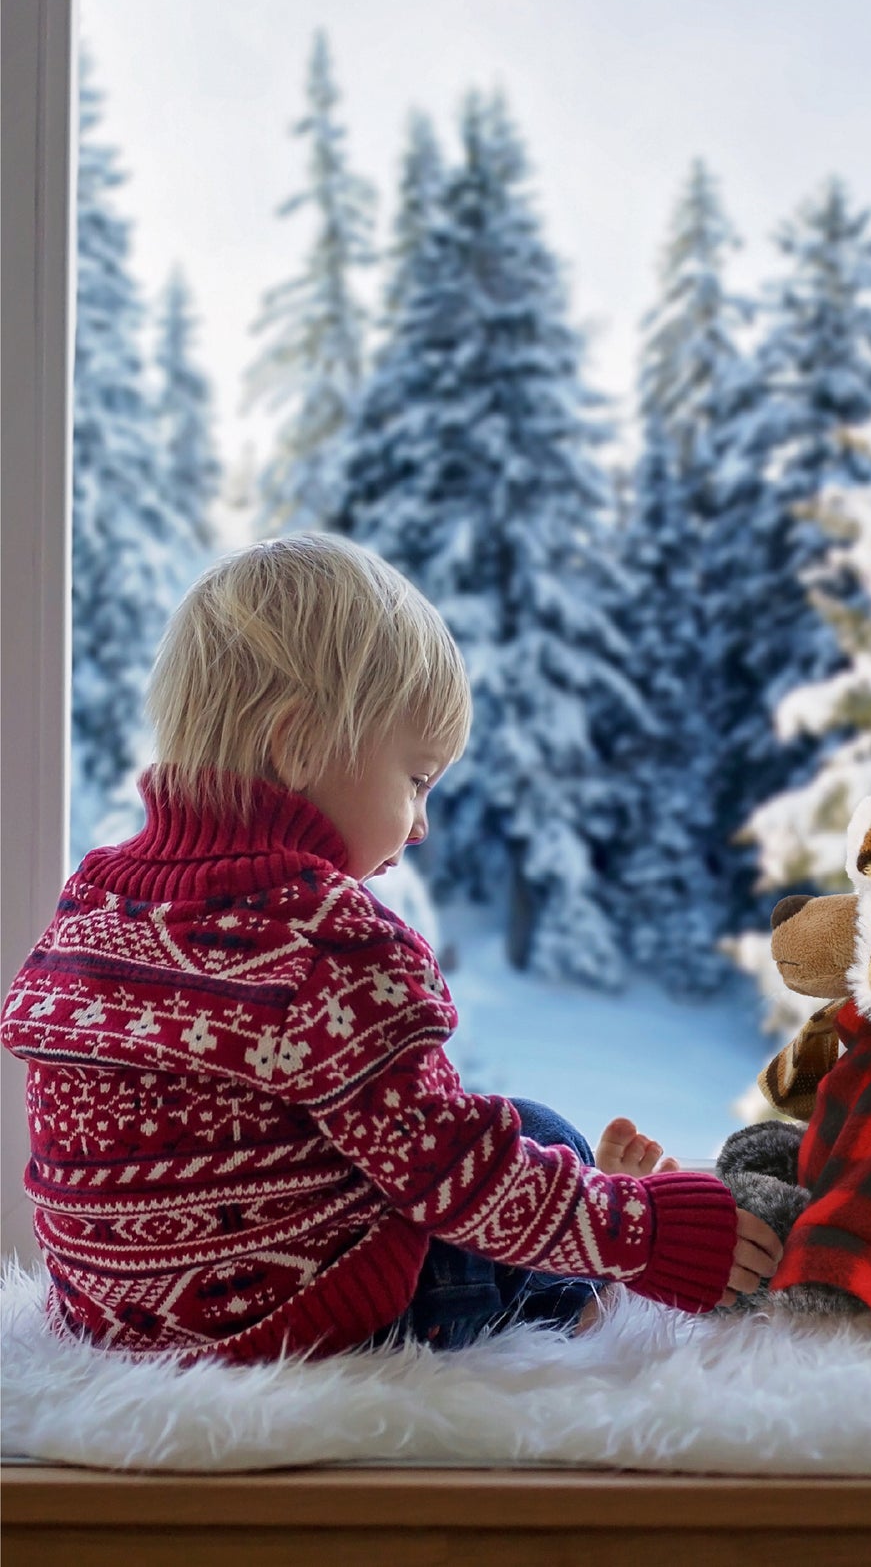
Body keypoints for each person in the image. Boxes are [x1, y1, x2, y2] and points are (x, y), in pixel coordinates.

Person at [1, 533, 780, 1361]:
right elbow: (453, 1175)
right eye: (414, 779)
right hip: (304, 1321)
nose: (419, 825)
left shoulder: (95, 898)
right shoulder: (331, 941)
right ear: (296, 744)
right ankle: (584, 1288)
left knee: (457, 1139)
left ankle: (584, 1230)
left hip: (108, 1318)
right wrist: (649, 1234)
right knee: (537, 1132)